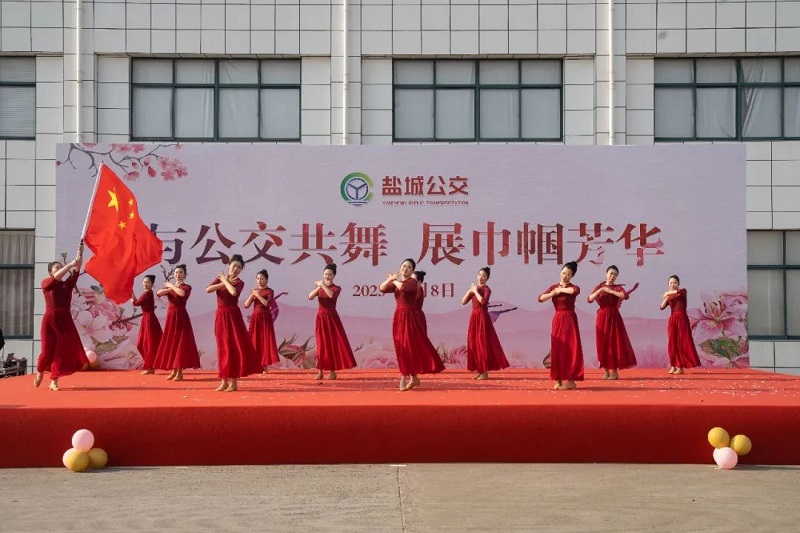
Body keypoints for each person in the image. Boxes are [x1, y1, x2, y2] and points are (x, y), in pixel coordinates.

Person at [379, 258, 445, 391]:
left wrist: (394, 280)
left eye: (409, 267)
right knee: (401, 348)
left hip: (409, 318)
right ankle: (414, 377)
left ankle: (403, 378)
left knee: (407, 347)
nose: (405, 268)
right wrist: (390, 279)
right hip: (398, 317)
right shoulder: (398, 283)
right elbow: (382, 288)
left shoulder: (412, 282)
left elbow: (404, 287)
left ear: (412, 270)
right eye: (404, 266)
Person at [34, 242, 90, 391]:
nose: (59, 269)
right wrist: (70, 264)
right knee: (47, 351)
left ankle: (54, 381)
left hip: (65, 320)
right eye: (56, 267)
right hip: (50, 320)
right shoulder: (46, 283)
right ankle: (40, 371)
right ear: (50, 272)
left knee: (61, 351)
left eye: (60, 266)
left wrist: (80, 253)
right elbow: (60, 274)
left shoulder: (67, 285)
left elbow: (77, 269)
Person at [206, 254, 261, 392]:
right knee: (222, 347)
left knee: (233, 347)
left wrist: (225, 281)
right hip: (220, 315)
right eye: (234, 265)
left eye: (239, 267)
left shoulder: (239, 282)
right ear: (228, 265)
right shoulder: (220, 278)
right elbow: (208, 289)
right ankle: (224, 381)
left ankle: (234, 381)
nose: (236, 269)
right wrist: (223, 281)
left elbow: (233, 292)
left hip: (233, 316)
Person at [538, 261, 584, 390]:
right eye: (563, 273)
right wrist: (553, 293)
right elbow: (540, 298)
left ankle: (571, 380)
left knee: (570, 348)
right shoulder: (553, 287)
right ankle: (557, 379)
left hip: (569, 319)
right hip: (558, 319)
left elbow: (575, 291)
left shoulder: (573, 287)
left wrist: (560, 290)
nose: (565, 276)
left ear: (572, 276)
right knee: (557, 348)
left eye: (568, 274)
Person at [587, 265, 637, 380]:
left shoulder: (617, 287)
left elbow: (624, 295)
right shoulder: (599, 286)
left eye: (615, 274)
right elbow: (589, 299)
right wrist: (601, 290)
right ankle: (605, 370)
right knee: (602, 343)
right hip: (602, 317)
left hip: (614, 317)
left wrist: (610, 290)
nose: (612, 276)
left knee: (614, 343)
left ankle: (614, 371)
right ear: (606, 273)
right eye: (611, 273)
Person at [152, 264, 201, 381]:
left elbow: (181, 293)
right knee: (172, 342)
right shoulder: (172, 288)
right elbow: (158, 293)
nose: (178, 274)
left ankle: (179, 372)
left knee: (180, 343)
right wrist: (170, 288)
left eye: (180, 272)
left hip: (181, 316)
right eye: (176, 272)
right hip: (171, 317)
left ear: (185, 275)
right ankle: (174, 371)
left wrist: (170, 286)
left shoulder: (186, 287)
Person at [308, 263, 357, 380]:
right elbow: (310, 296)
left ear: (334, 276)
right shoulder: (320, 288)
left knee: (331, 344)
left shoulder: (336, 288)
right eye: (325, 274)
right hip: (320, 317)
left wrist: (322, 285)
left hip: (331, 318)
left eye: (329, 274)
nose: (327, 276)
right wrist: (319, 287)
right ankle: (320, 371)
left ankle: (332, 372)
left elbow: (331, 295)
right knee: (321, 344)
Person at [462, 267, 509, 380]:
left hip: (482, 318)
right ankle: (480, 370)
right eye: (479, 275)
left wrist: (475, 291)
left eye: (483, 276)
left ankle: (484, 372)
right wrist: (470, 291)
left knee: (481, 344)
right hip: (474, 317)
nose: (481, 277)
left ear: (487, 278)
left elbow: (483, 302)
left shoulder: (487, 289)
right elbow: (463, 301)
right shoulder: (475, 288)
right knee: (473, 343)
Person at [660, 274, 701, 374]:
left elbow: (677, 292)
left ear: (678, 284)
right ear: (668, 284)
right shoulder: (670, 296)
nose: (672, 284)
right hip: (673, 320)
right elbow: (661, 307)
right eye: (670, 283)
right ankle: (673, 365)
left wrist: (668, 293)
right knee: (672, 343)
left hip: (682, 319)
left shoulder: (682, 291)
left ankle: (680, 366)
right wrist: (667, 297)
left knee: (681, 343)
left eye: (675, 282)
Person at [244, 269, 280, 373]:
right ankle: (255, 365)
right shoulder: (254, 291)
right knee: (254, 340)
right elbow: (246, 305)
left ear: (266, 280)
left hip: (265, 318)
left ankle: (265, 366)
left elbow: (267, 304)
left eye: (261, 279)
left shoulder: (270, 291)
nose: (259, 281)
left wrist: (258, 295)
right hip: (255, 318)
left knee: (265, 341)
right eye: (258, 278)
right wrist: (252, 295)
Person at [131, 274, 163, 375]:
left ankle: (150, 367)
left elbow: (135, 303)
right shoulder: (149, 293)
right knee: (144, 344)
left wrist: (131, 294)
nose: (145, 284)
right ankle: (150, 366)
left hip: (149, 320)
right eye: (144, 282)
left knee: (146, 344)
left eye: (148, 282)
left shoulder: (147, 293)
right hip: (148, 319)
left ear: (152, 284)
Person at [411, 270, 428, 335]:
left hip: (416, 317)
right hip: (412, 315)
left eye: (413, 280)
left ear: (419, 281)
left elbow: (411, 302)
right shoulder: (413, 289)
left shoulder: (419, 290)